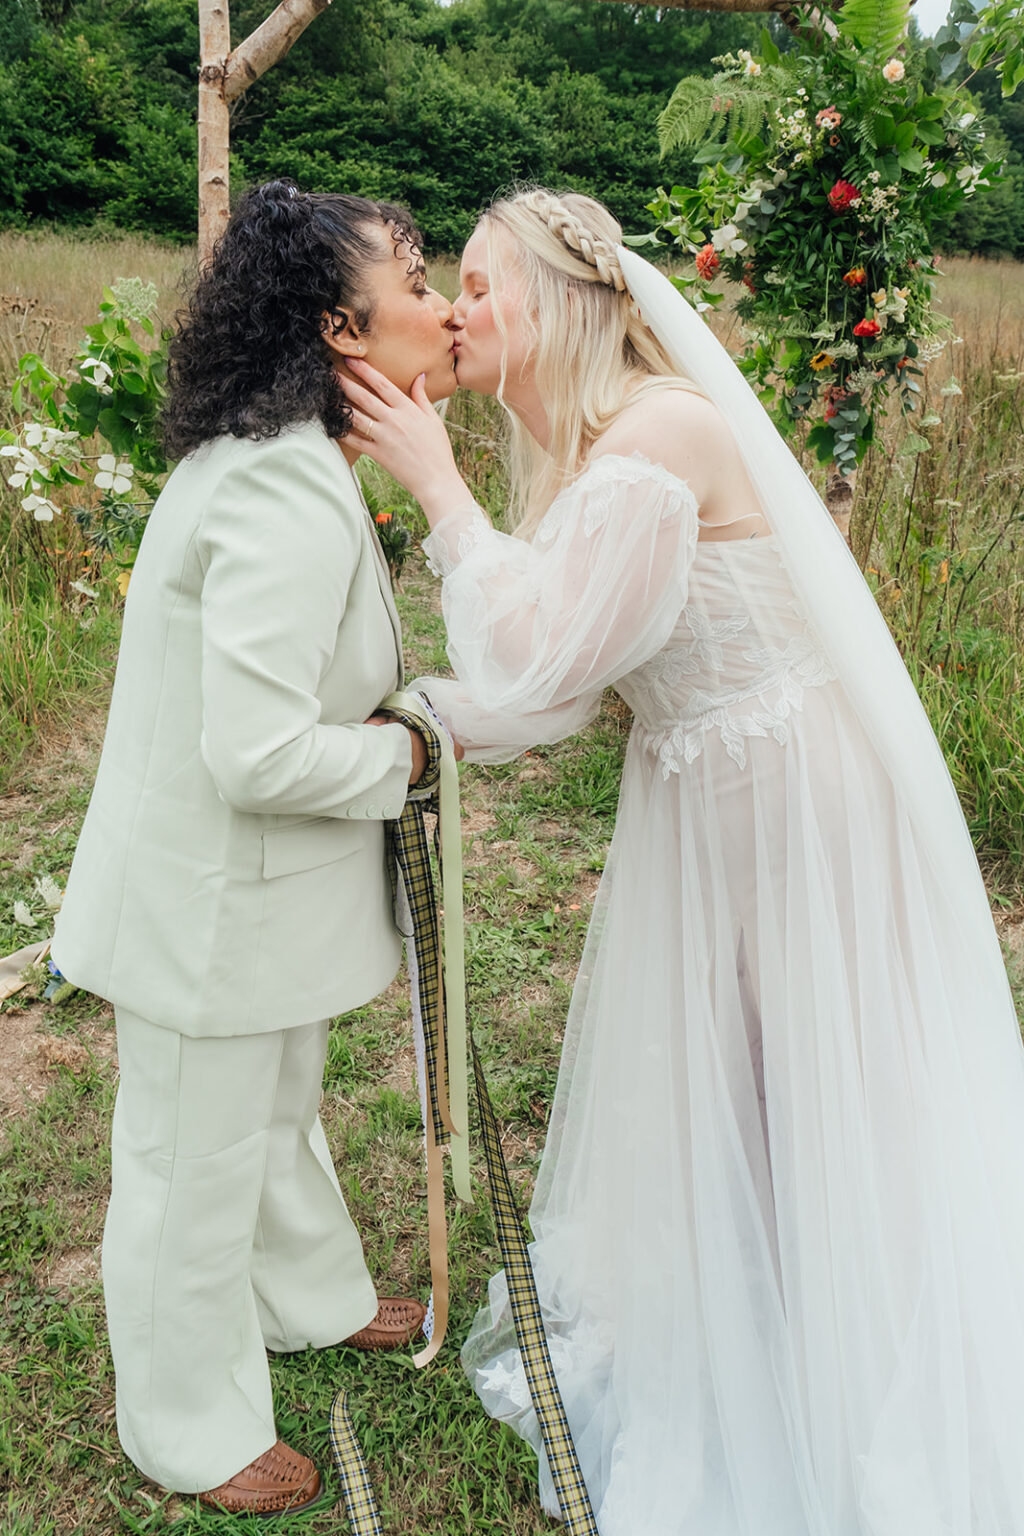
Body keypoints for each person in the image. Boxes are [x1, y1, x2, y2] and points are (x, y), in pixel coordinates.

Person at [342, 187, 1024, 1534]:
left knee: (821, 1090)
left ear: (565, 298)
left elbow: (544, 664)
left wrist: (437, 489)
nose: (458, 311)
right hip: (712, 795)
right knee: (757, 1088)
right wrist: (414, 729)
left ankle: (864, 1372)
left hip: (788, 807)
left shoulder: (657, 442)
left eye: (480, 285)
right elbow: (552, 690)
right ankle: (774, 1324)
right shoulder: (607, 449)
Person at [51, 180, 461, 1516]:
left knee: (278, 1120)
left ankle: (310, 1297)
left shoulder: (287, 457)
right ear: (345, 327)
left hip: (250, 906)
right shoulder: (280, 489)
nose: (443, 305)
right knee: (191, 1168)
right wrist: (407, 755)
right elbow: (261, 754)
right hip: (204, 915)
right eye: (414, 282)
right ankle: (185, 1421)